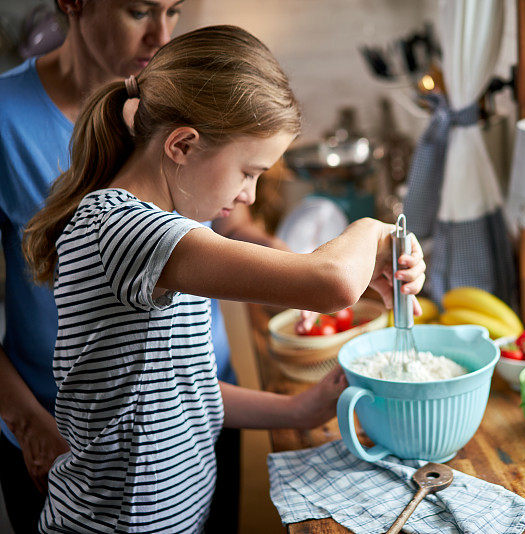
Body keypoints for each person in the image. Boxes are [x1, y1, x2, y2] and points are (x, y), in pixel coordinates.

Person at [21, 24, 425, 533]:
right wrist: (373, 230)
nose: (250, 197)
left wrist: (299, 410)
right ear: (183, 146)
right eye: (248, 172)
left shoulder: (163, 231)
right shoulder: (122, 228)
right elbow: (331, 284)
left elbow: (180, 389)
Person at [0, 2, 282, 531]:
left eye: (174, 10)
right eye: (139, 10)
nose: (162, 33)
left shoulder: (159, 104)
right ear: (74, 3)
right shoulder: (4, 118)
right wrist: (28, 424)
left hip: (202, 409)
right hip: (72, 437)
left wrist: (295, 263)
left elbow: (222, 217)